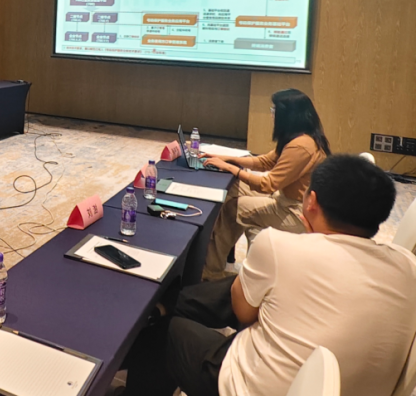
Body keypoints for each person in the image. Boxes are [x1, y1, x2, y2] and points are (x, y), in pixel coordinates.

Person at [122, 154, 416, 396]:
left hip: (249, 385)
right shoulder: (409, 266)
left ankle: (155, 316)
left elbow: (243, 313)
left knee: (168, 333)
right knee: (247, 288)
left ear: (311, 201)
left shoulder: (279, 246)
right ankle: (166, 304)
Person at [200, 88, 329, 280]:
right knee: (233, 187)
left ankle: (210, 272)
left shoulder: (300, 146)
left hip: (296, 212)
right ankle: (210, 250)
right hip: (287, 200)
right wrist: (226, 159)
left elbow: (268, 184)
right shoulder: (301, 137)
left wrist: (231, 169)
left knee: (232, 209)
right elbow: (264, 162)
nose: (272, 114)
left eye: (274, 110)